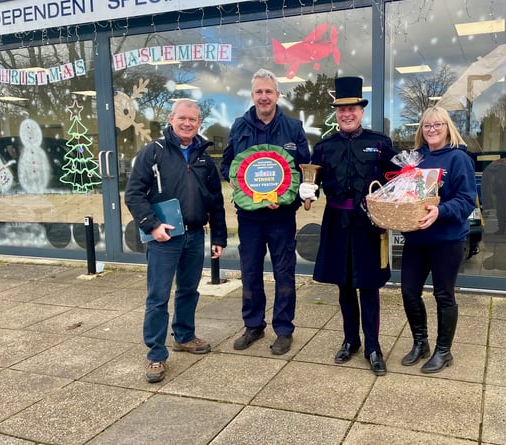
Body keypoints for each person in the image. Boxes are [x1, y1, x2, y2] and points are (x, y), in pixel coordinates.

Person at [125, 99, 228, 383]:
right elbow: (133, 194)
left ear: (199, 123)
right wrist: (152, 225)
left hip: (195, 235)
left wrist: (218, 236)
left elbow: (215, 201)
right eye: (182, 118)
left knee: (188, 291)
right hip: (165, 238)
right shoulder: (153, 152)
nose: (187, 123)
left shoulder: (205, 157)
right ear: (171, 119)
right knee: (158, 297)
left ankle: (183, 336)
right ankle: (156, 354)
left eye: (193, 119)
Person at [305, 76, 398, 376]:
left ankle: (373, 346)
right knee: (344, 286)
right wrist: (306, 191)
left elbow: (395, 182)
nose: (347, 114)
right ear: (336, 113)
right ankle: (351, 340)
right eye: (341, 109)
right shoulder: (323, 148)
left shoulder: (380, 144)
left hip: (368, 224)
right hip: (336, 222)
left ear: (361, 110)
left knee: (368, 287)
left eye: (352, 108)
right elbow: (313, 184)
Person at [220, 68, 310, 355]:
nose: (263, 97)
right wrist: (236, 181)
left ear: (277, 95)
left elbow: (304, 171)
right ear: (252, 95)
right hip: (249, 217)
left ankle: (283, 329)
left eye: (268, 91)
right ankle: (253, 325)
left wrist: (288, 197)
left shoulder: (293, 128)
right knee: (250, 271)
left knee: (284, 272)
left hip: (282, 216)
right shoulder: (239, 127)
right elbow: (227, 165)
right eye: (259, 91)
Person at [399, 106, 476, 373]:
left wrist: (440, 211)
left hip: (447, 238)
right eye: (426, 125)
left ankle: (444, 351)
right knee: (409, 291)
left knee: (443, 295)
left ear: (448, 127)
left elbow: (467, 201)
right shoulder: (416, 159)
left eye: (437, 125)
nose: (431, 129)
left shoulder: (458, 159)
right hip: (417, 237)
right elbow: (406, 194)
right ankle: (420, 342)